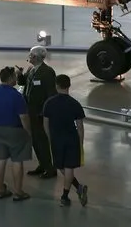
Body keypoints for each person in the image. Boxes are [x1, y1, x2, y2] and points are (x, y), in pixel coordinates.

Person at [0, 66, 31, 201]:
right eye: (15, 77)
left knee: (0, 160)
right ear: (10, 78)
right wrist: (28, 132)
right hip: (15, 131)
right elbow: (23, 117)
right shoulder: (16, 96)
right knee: (17, 161)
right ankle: (18, 191)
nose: (16, 79)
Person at [43, 74, 89, 207]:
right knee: (68, 167)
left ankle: (66, 195)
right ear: (69, 86)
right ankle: (75, 190)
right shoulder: (75, 104)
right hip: (72, 139)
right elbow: (80, 126)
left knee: (61, 167)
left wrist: (49, 137)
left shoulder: (49, 103)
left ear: (56, 85)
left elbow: (45, 123)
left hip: (56, 139)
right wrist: (80, 142)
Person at [18, 45, 57, 178]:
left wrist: (46, 112)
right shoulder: (32, 69)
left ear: (35, 57)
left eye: (30, 55)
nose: (29, 58)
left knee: (42, 141)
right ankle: (43, 164)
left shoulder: (47, 72)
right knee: (34, 139)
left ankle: (50, 168)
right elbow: (25, 84)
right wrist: (20, 76)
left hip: (40, 112)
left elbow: (51, 94)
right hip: (30, 111)